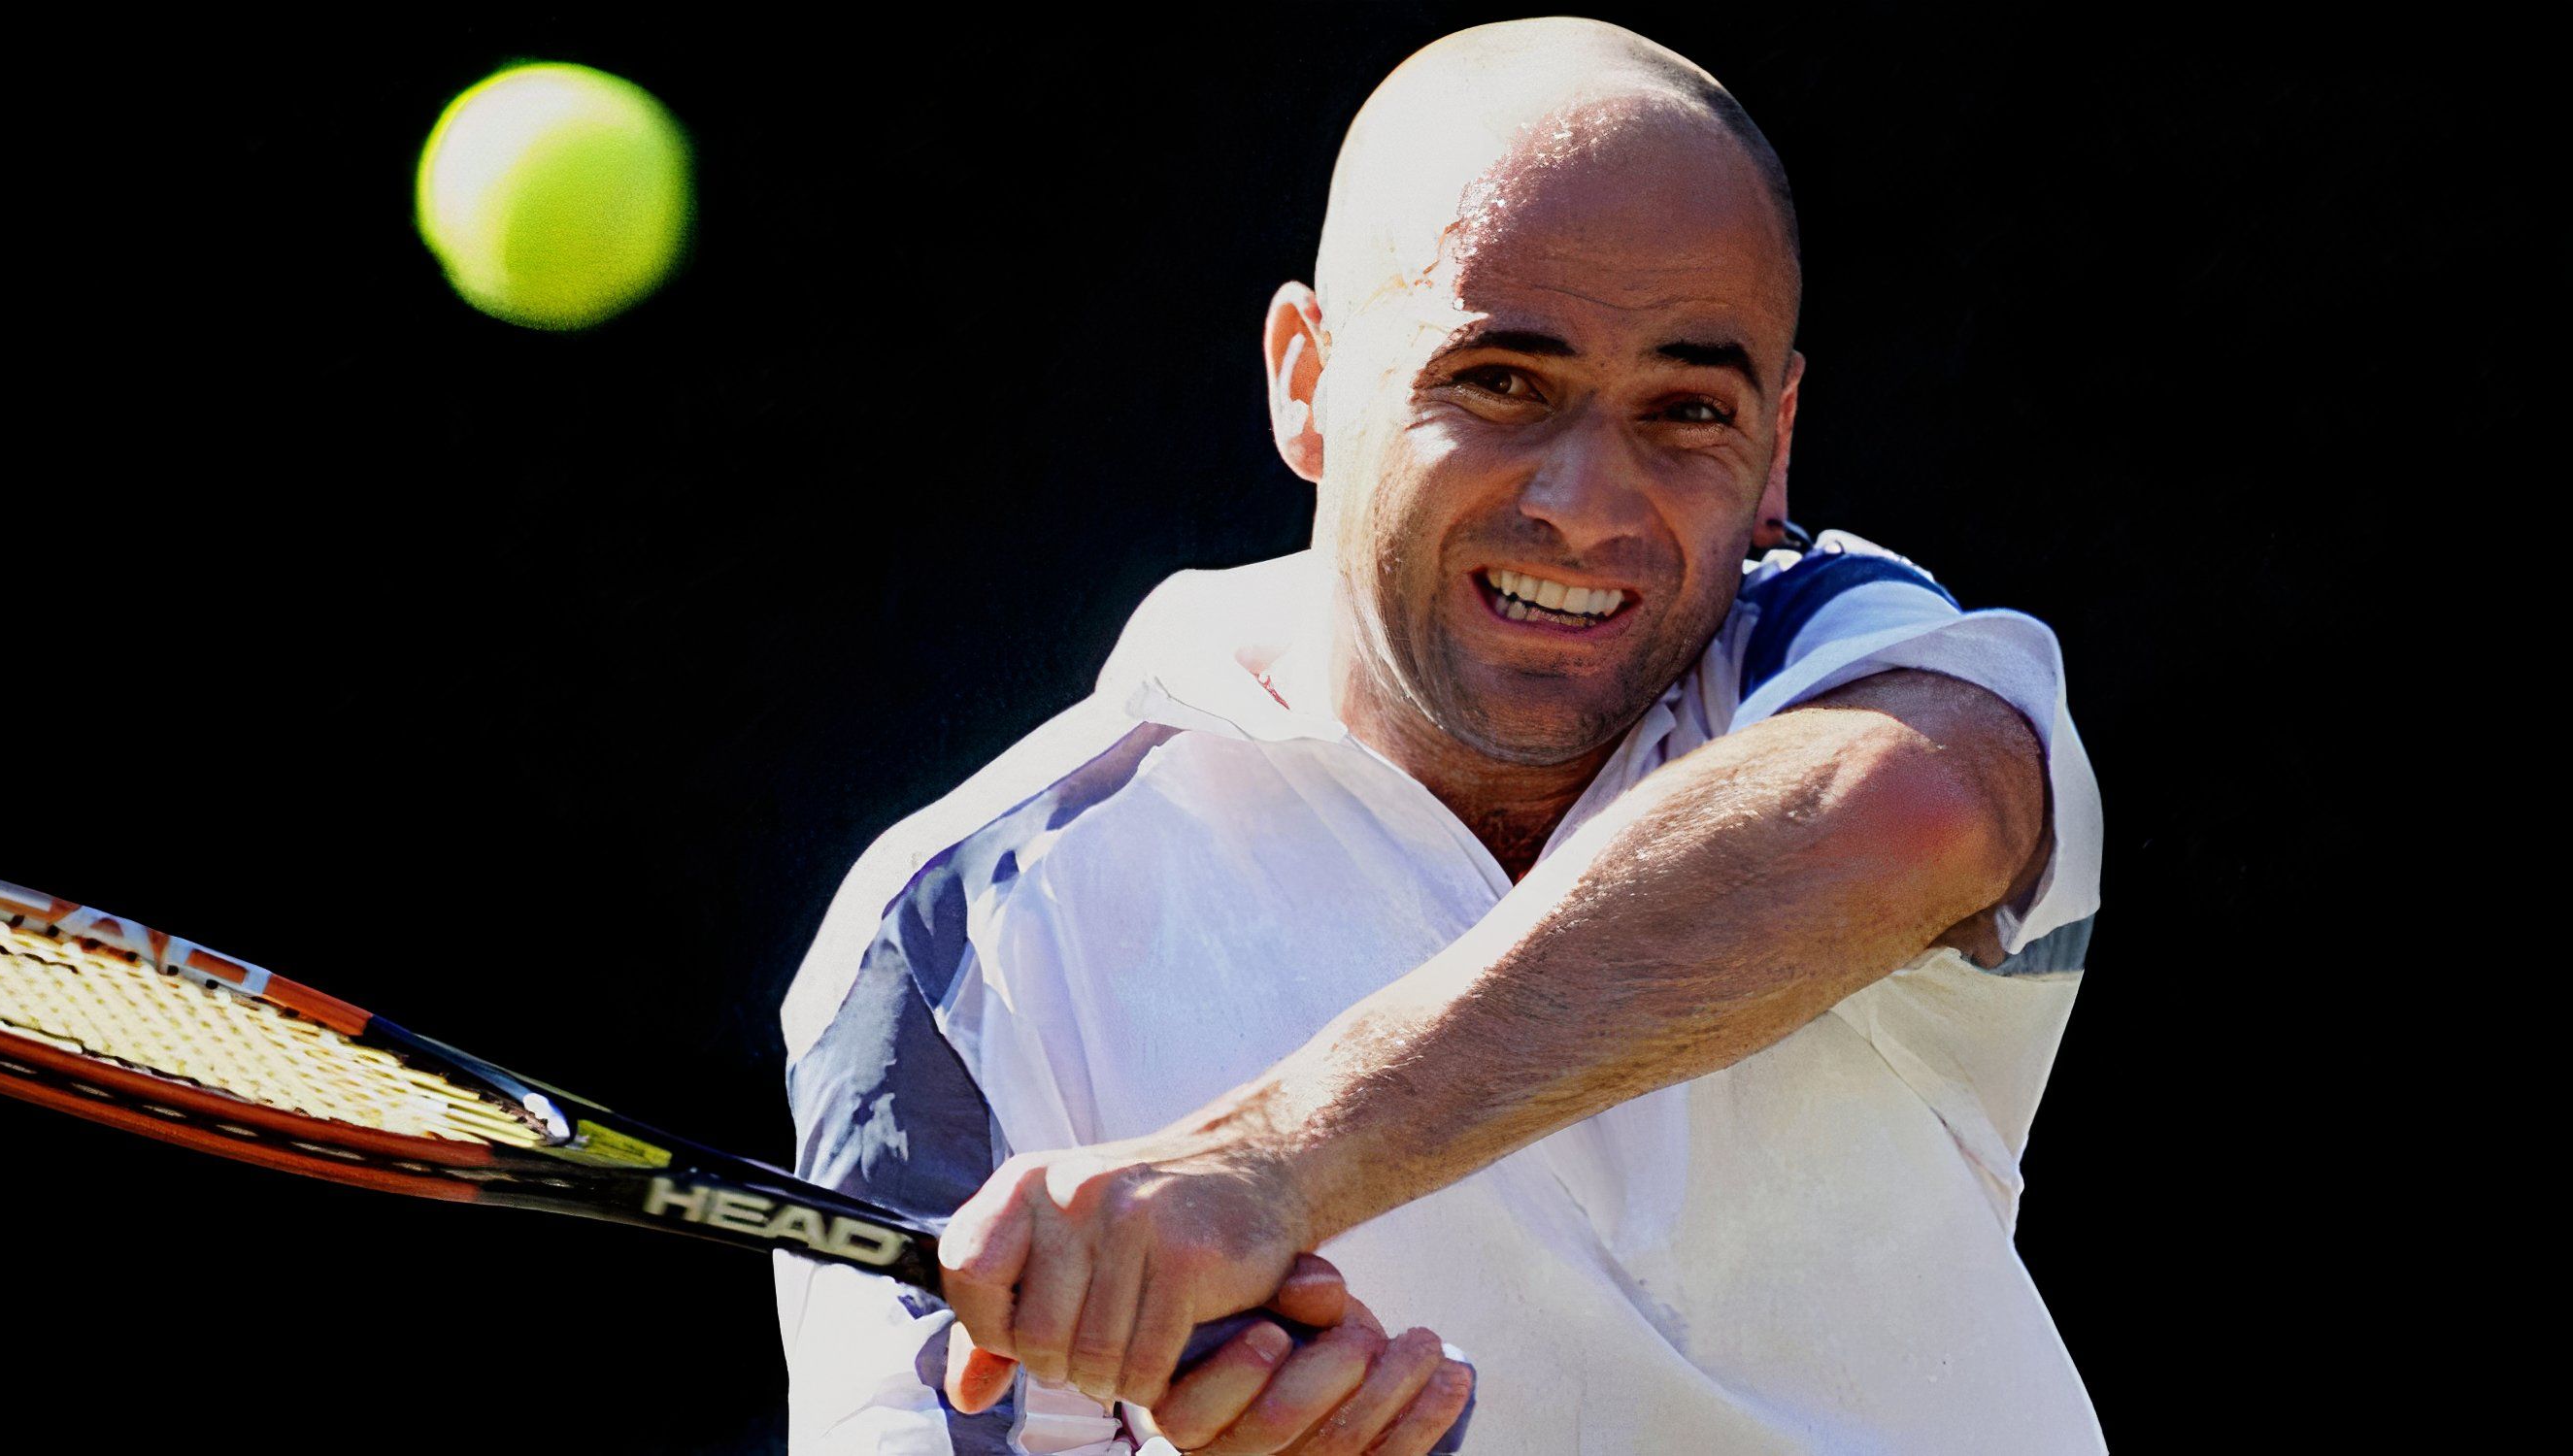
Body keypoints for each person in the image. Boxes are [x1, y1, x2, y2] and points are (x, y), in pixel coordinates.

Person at [777, 17, 2102, 1453]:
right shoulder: (955, 934)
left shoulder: (1833, 652)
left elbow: (1913, 810)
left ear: (1777, 442)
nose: (1588, 504)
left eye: (1686, 411)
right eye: (1500, 381)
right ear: (1307, 377)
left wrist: (1263, 1167)